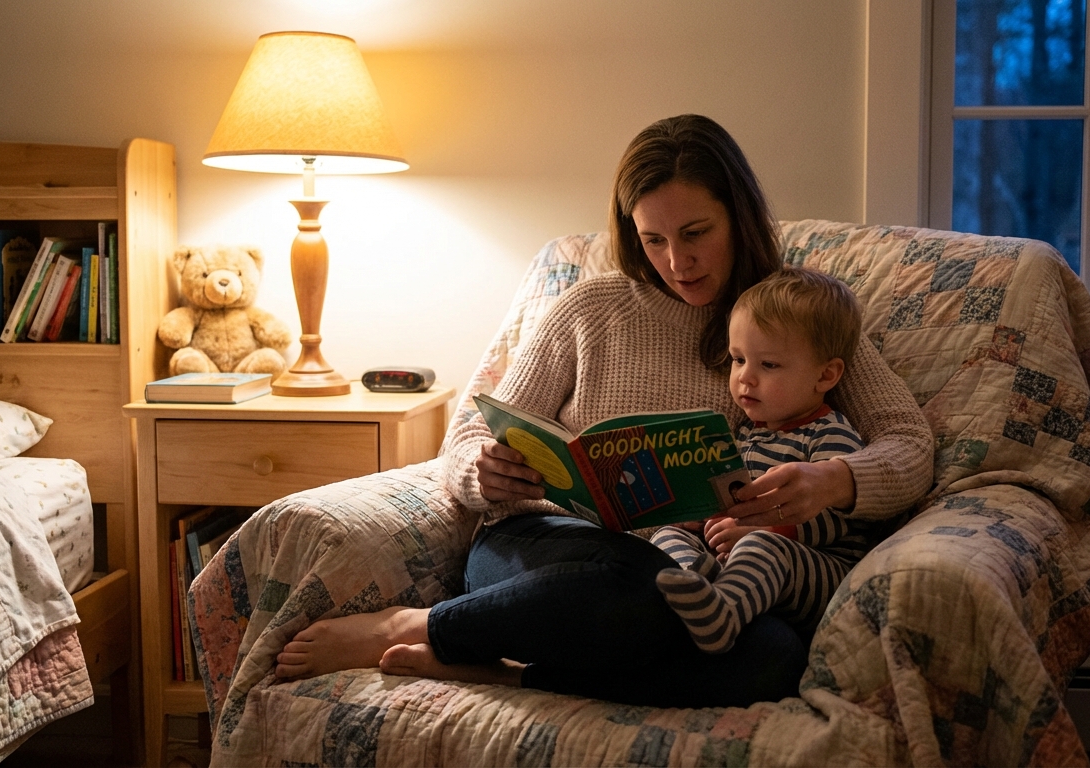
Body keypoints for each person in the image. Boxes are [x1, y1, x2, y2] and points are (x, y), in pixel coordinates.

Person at [273, 114, 934, 708]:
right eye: (653, 239)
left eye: (696, 233)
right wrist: (482, 470)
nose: (677, 261)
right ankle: (419, 626)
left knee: (772, 656)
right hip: (545, 547)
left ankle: (507, 672)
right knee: (634, 581)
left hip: (688, 568)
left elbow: (906, 440)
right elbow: (474, 431)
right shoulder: (589, 308)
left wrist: (835, 480)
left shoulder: (788, 318)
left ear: (738, 217)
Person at [652, 266, 874, 655]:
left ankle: (723, 616)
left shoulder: (830, 433)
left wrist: (765, 529)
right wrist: (699, 516)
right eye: (738, 359)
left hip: (816, 573)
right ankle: (702, 590)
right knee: (665, 535)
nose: (745, 378)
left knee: (762, 545)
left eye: (768, 365)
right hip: (738, 565)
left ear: (825, 375)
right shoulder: (742, 434)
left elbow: (835, 519)